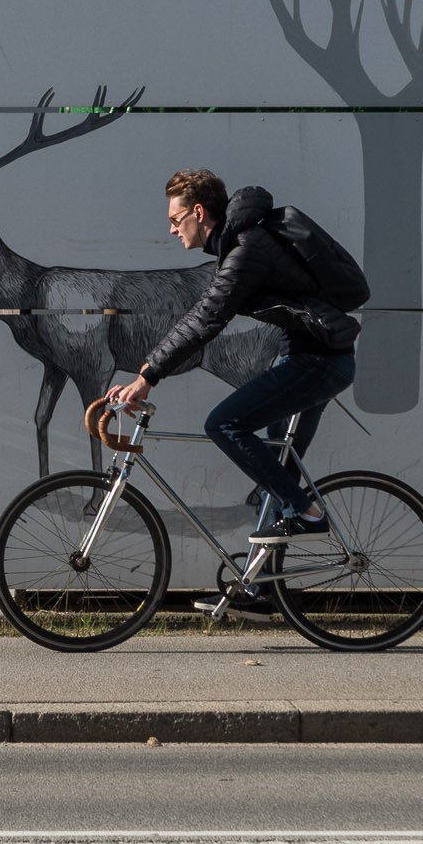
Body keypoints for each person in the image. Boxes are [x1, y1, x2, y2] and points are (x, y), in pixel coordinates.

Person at [108, 169, 359, 614]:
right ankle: (265, 588)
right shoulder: (239, 244)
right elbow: (204, 313)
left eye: (175, 217)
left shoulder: (246, 248)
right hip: (307, 354)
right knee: (274, 474)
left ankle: (309, 514)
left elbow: (207, 318)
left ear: (199, 212)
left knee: (223, 424)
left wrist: (147, 374)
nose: (170, 228)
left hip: (318, 362)